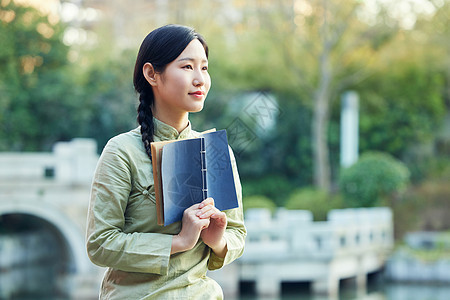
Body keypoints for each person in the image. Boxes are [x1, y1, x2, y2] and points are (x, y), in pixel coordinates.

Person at [86, 24, 246, 299]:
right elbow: (100, 244)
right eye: (187, 67)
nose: (200, 79)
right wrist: (180, 241)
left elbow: (237, 234)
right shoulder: (122, 151)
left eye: (204, 68)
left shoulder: (217, 151)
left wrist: (216, 238)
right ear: (152, 74)